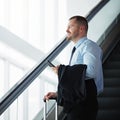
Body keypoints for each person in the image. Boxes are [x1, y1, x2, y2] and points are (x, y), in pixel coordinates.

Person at [44, 16, 103, 120]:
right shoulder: (78, 49)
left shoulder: (89, 46)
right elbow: (77, 81)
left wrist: (62, 71)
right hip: (78, 103)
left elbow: (91, 72)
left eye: (70, 26)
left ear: (81, 28)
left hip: (85, 104)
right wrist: (58, 94)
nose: (66, 30)